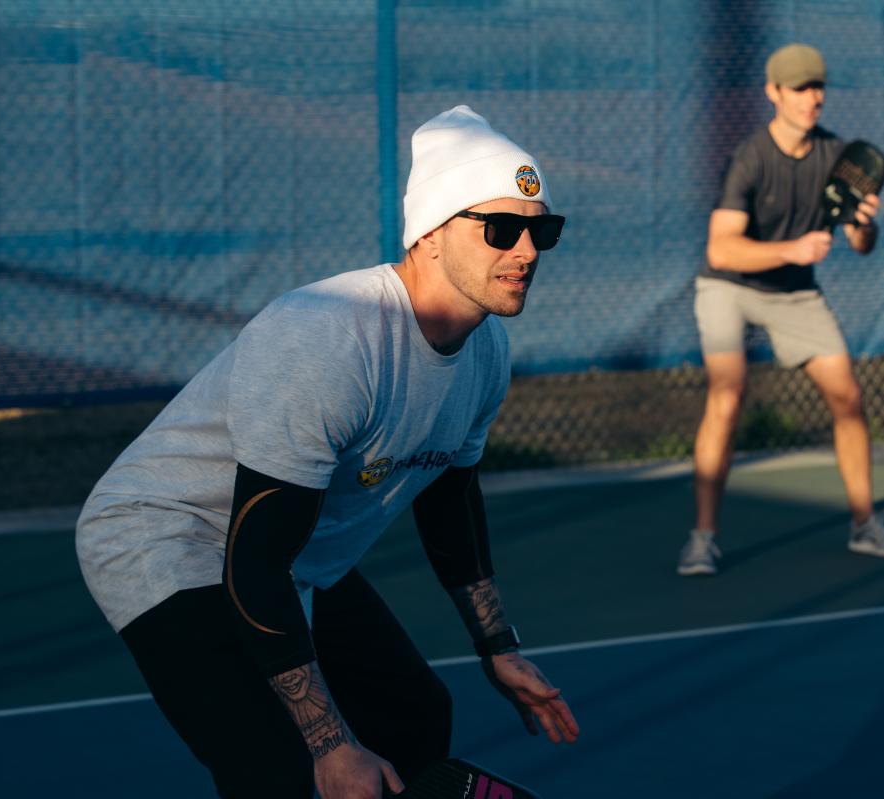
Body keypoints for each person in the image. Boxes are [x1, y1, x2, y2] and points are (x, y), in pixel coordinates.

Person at [76, 105, 580, 798]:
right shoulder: (330, 340)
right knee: (281, 766)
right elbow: (254, 567)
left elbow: (448, 499)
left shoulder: (486, 352)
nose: (526, 250)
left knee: (416, 716)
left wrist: (499, 647)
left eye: (540, 230)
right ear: (431, 235)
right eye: (501, 229)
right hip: (167, 530)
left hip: (289, 548)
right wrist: (332, 742)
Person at [678, 43, 884, 577]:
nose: (813, 98)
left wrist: (866, 222)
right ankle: (702, 538)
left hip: (794, 293)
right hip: (729, 287)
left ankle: (864, 524)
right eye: (801, 88)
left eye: (818, 87)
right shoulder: (751, 157)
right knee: (728, 393)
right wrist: (792, 249)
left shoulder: (841, 157)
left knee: (847, 394)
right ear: (774, 93)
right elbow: (721, 248)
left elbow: (860, 243)